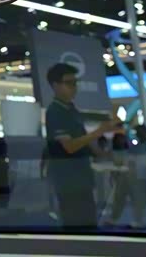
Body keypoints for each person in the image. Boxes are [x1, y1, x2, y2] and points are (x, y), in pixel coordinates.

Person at [44, 63, 122, 229]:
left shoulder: (71, 109)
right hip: (68, 180)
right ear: (55, 85)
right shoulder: (55, 112)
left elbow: (83, 138)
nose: (74, 87)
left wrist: (103, 155)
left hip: (81, 177)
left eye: (75, 83)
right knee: (77, 223)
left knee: (88, 220)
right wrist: (99, 131)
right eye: (69, 83)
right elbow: (69, 147)